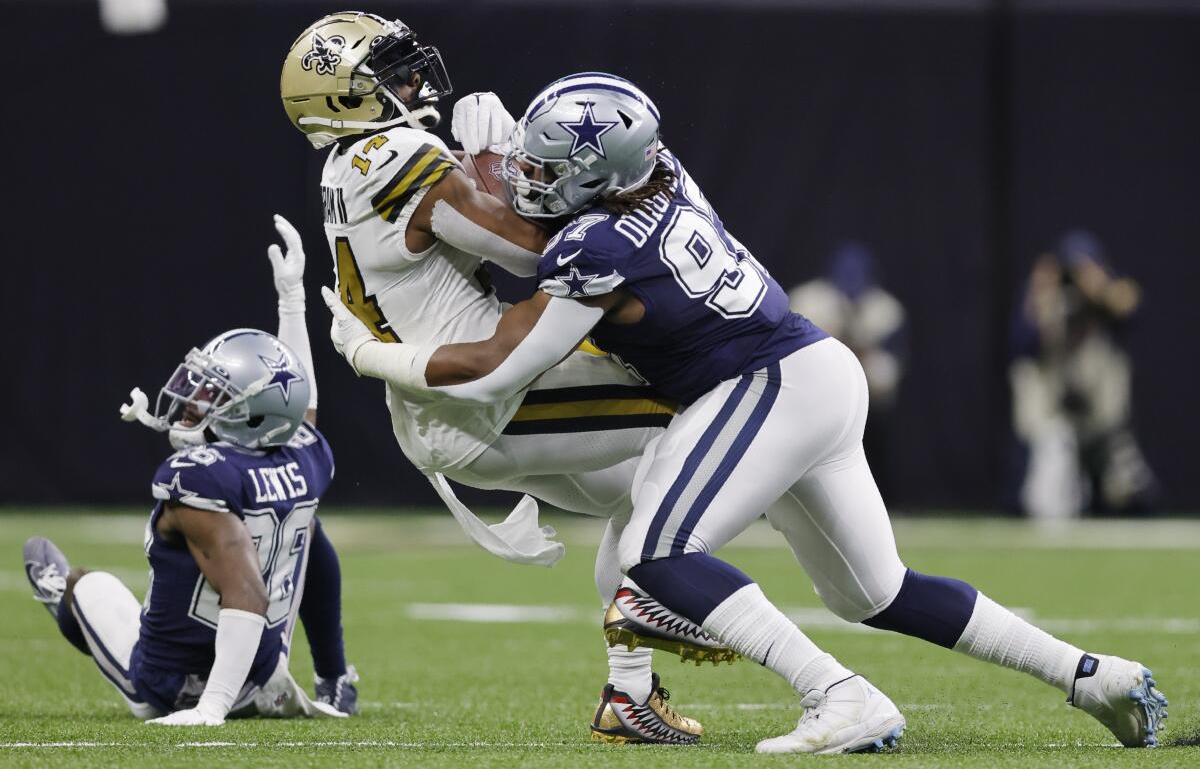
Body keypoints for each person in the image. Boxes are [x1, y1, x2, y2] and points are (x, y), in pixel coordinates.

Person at [323, 73, 1168, 752]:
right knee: (876, 592)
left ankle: (839, 695)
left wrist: (369, 353)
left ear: (602, 176)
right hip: (813, 374)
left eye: (546, 170)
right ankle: (1092, 673)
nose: (527, 181)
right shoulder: (663, 169)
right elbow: (567, 188)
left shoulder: (595, 248)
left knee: (656, 551)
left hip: (768, 387)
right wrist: (504, 143)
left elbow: (495, 368)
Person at [280, 11, 729, 744]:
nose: (413, 81)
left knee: (635, 495)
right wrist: (492, 156)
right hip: (479, 397)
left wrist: (480, 161)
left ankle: (631, 693)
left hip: (446, 397)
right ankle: (682, 608)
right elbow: (527, 252)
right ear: (344, 100)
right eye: (389, 74)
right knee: (695, 415)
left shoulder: (351, 161)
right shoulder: (396, 154)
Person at [22, 222, 350, 725]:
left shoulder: (198, 475)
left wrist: (212, 708)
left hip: (178, 685)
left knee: (85, 587)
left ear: (253, 415)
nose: (193, 405)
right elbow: (300, 403)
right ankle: (334, 676)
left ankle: (61, 599)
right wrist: (291, 303)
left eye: (213, 397)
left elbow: (247, 593)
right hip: (263, 672)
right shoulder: (308, 454)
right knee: (309, 527)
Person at [1010, 230, 1157, 518]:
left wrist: (1101, 289)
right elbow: (1021, 347)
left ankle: (1116, 494)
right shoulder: (1043, 296)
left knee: (1126, 480)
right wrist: (1041, 300)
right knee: (1053, 476)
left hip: (1099, 416)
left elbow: (1134, 310)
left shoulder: (1103, 295)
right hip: (1053, 409)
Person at [788, 243, 906, 496]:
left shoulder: (887, 312)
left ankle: (880, 496)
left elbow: (886, 379)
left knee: (874, 419)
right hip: (812, 399)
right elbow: (792, 363)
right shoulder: (807, 301)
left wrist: (858, 355)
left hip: (865, 404)